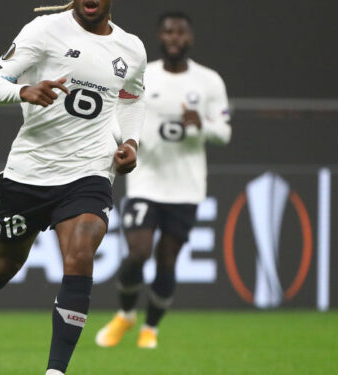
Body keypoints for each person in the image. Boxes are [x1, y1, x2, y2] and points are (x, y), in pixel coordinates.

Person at [0, 1, 146, 374]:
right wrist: (23, 90)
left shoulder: (131, 48)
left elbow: (132, 96)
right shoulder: (44, 30)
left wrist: (131, 142)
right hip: (30, 172)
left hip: (89, 171)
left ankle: (55, 370)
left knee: (80, 253)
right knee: (6, 263)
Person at [95, 11, 231, 349]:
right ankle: (126, 314)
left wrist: (201, 124)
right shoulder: (144, 75)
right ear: (160, 37)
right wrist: (125, 142)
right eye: (168, 32)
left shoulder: (209, 81)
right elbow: (116, 118)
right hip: (146, 181)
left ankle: (150, 329)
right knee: (137, 252)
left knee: (168, 259)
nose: (174, 38)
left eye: (180, 33)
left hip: (186, 186)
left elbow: (224, 133)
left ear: (190, 38)